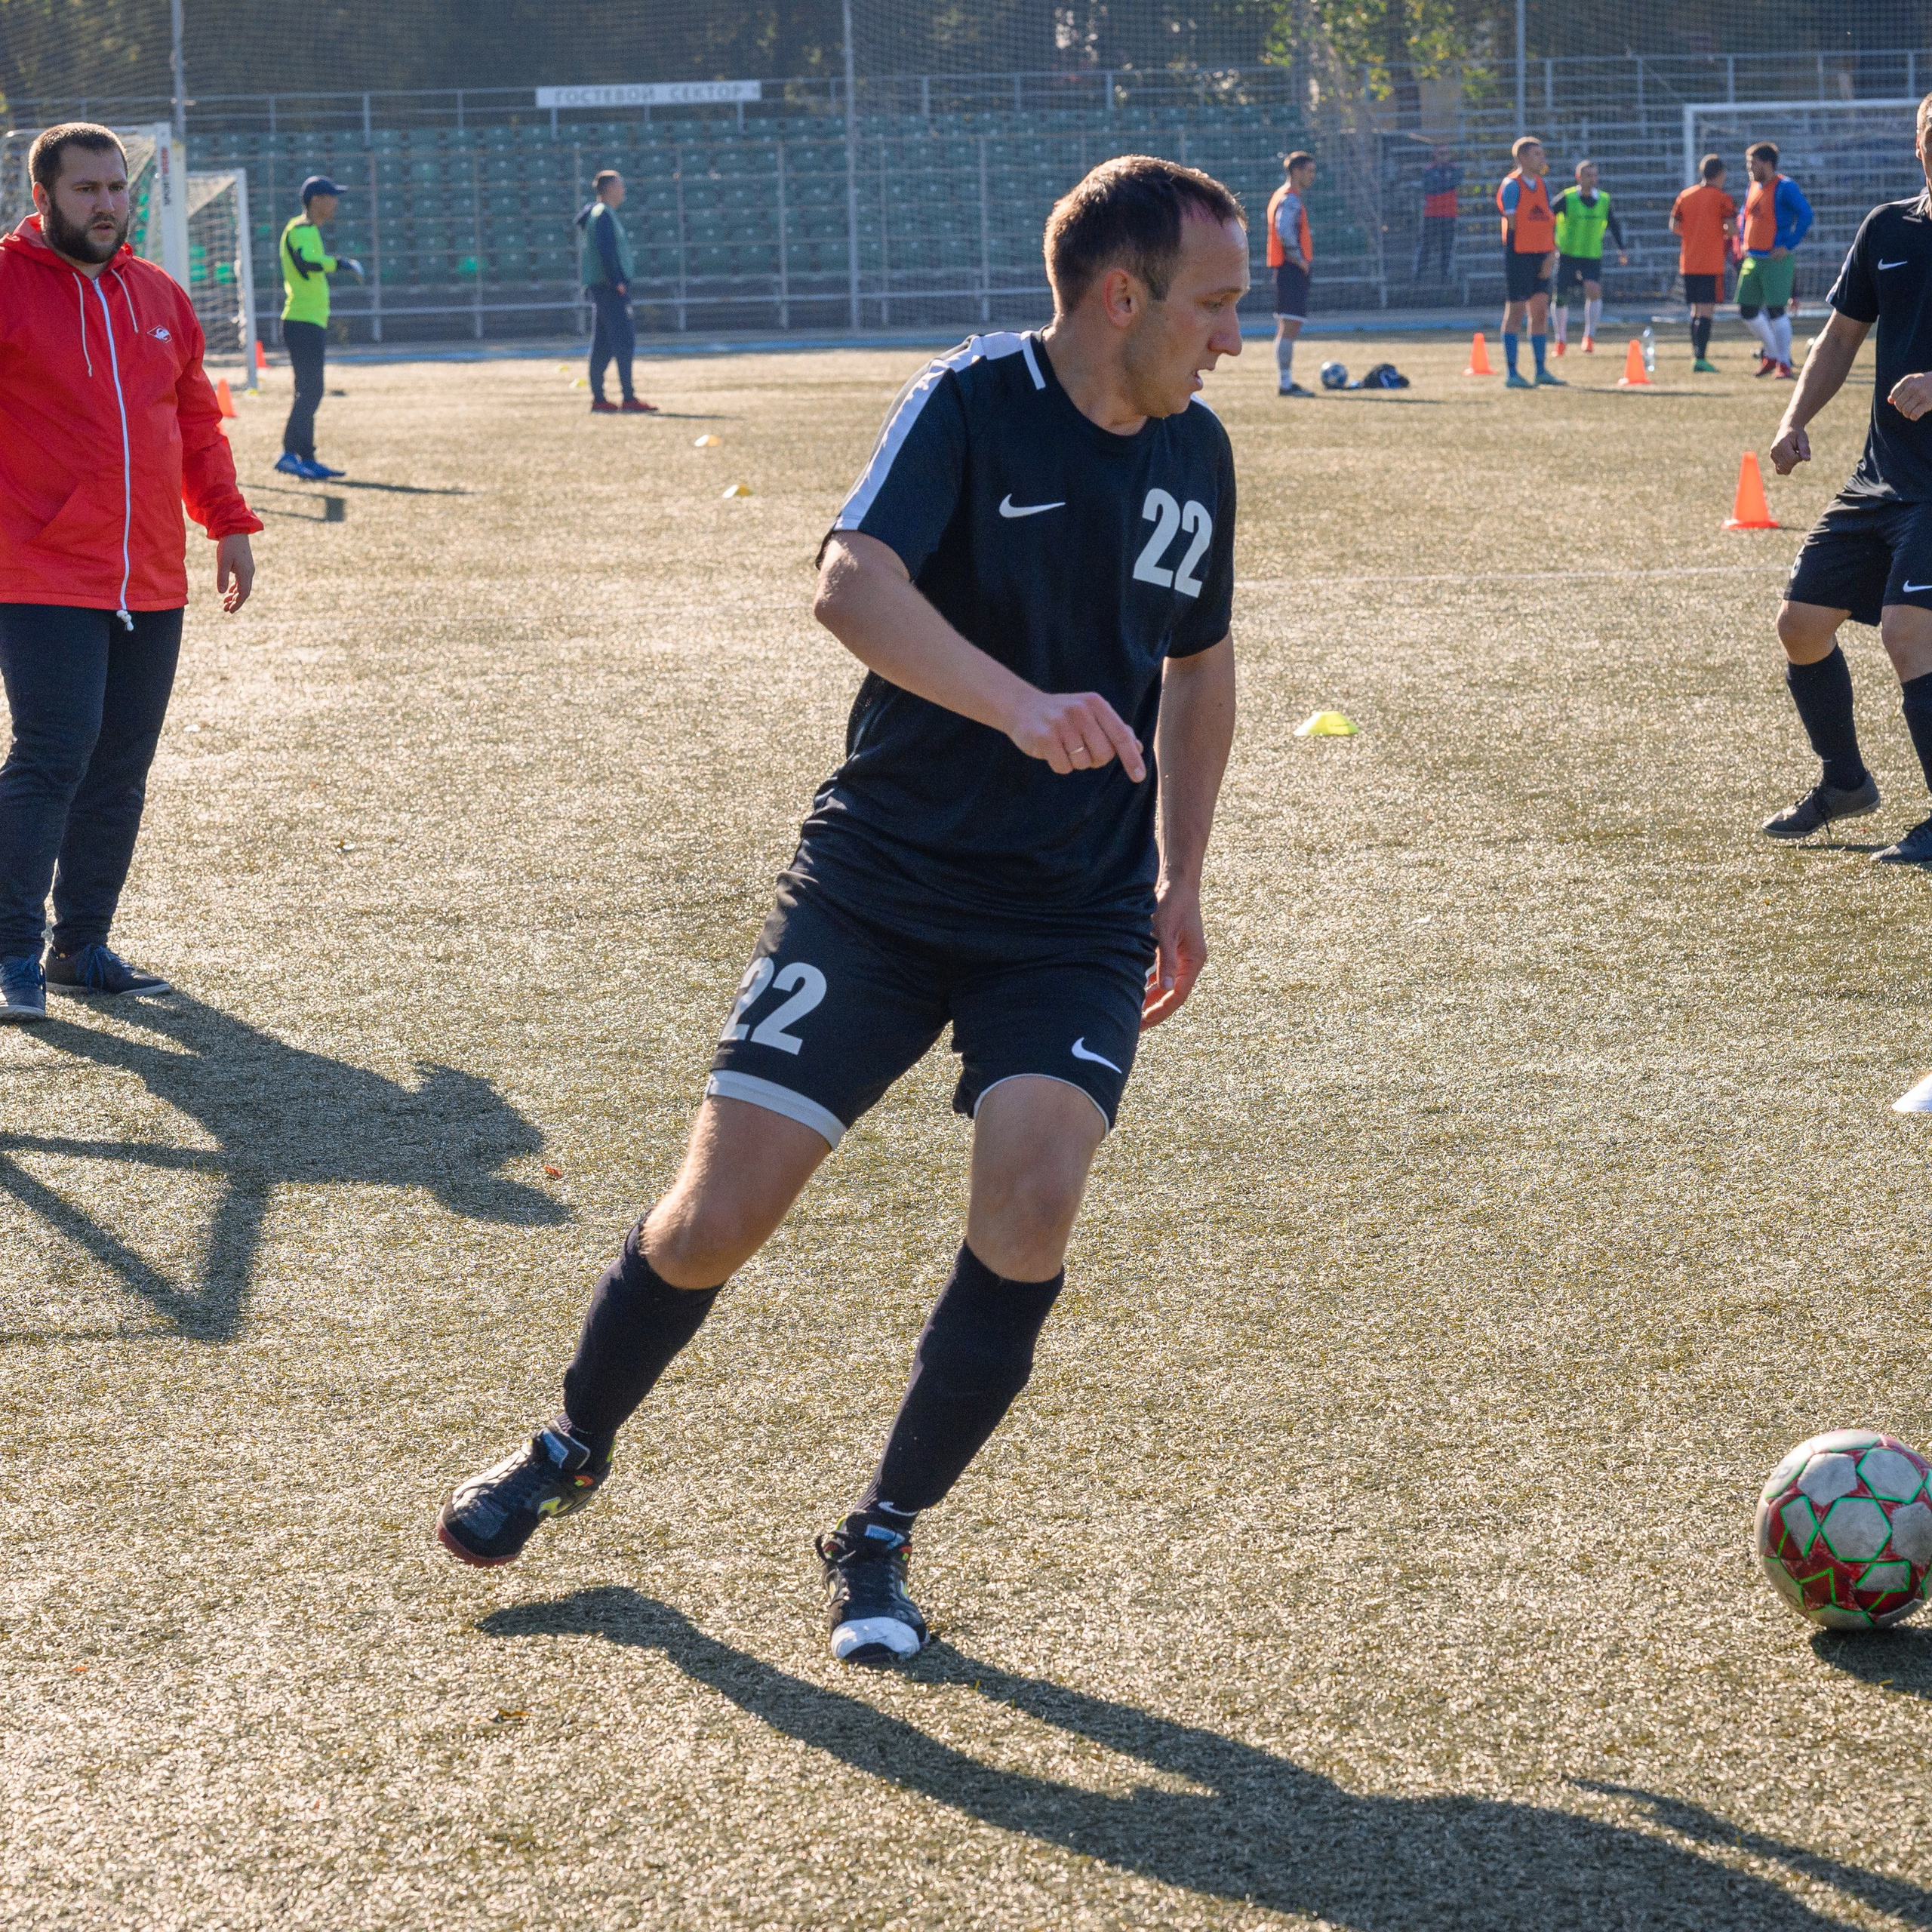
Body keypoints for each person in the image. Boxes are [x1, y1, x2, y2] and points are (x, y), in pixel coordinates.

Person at [433, 154, 1244, 1669]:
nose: (1232, 337)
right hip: (875, 890)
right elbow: (847, 581)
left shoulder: (1197, 455)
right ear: (1120, 296)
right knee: (713, 1216)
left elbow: (1197, 670)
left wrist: (1179, 874)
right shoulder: (965, 403)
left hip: (1068, 913)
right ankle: (571, 1439)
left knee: (1032, 1192)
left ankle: (875, 1531)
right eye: (1212, 303)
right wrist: (1020, 706)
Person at [0, 123, 259, 1022]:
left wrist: (227, 523)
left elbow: (196, 424)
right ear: (42, 200)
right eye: (86, 190)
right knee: (53, 755)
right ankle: (9, 953)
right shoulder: (3, 286)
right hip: (39, 572)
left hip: (150, 576)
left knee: (120, 766)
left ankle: (80, 946)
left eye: (115, 188)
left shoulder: (160, 295)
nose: (107, 204)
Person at [1763, 96, 1932, 861]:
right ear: (1919, 143)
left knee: (1907, 633)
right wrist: (1793, 420)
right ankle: (1844, 782)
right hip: (1879, 478)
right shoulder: (1886, 228)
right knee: (1799, 625)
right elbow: (1838, 337)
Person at [277, 174, 361, 480]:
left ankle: (306, 457)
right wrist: (341, 263)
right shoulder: (300, 229)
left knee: (309, 390)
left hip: (309, 321)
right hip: (301, 321)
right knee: (310, 390)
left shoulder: (309, 230)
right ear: (317, 200)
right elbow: (306, 263)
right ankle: (289, 454)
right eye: (332, 196)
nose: (336, 202)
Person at [577, 170, 656, 414]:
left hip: (601, 287)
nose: (624, 191)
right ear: (610, 189)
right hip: (609, 288)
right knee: (624, 341)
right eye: (620, 186)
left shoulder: (597, 212)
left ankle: (599, 399)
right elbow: (606, 250)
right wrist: (617, 280)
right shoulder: (603, 215)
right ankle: (628, 398)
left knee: (602, 344)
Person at [1738, 141, 1814, 379]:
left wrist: (1789, 245)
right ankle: (1772, 355)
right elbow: (1745, 214)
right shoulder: (1753, 185)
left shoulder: (1785, 186)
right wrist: (1741, 238)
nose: (1749, 167)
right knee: (1747, 310)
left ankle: (1783, 362)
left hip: (1775, 259)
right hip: (1753, 257)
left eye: (1754, 163)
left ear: (1768, 163)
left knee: (1776, 311)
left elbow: (1806, 214)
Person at [1495, 136, 1561, 388]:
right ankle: (1512, 373)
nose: (1542, 158)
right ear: (1522, 158)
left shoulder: (1542, 185)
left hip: (1541, 255)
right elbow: (1512, 222)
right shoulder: (1512, 185)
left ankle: (1541, 370)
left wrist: (1549, 253)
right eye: (1537, 154)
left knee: (1540, 313)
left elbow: (1546, 220)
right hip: (1519, 256)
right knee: (1516, 312)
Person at [1549, 158, 1626, 356]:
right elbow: (1548, 218)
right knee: (1561, 296)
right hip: (1567, 254)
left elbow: (1614, 224)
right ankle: (1561, 340)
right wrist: (1549, 243)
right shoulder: (1567, 198)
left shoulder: (1603, 199)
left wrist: (1621, 249)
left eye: (1595, 175)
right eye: (1588, 176)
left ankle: (1589, 337)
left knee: (1594, 290)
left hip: (1591, 255)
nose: (1593, 179)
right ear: (1579, 177)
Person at [1669, 154, 1737, 374]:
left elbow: (1674, 226)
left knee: (1695, 310)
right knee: (1707, 311)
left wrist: (1693, 234)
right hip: (1711, 262)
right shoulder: (1722, 198)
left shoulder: (1685, 196)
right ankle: (1701, 357)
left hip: (1689, 261)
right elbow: (1731, 228)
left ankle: (1695, 354)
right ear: (1720, 174)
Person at [1266, 152, 1315, 397]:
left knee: (1289, 325)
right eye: (1309, 171)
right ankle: (1285, 384)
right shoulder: (1290, 199)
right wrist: (1299, 260)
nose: (1312, 176)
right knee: (1289, 325)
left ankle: (1286, 381)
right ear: (1296, 171)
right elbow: (1283, 230)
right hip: (1291, 269)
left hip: (1287, 268)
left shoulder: (1284, 196)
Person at [1414, 144, 1462, 284]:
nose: (1444, 156)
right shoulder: (1428, 170)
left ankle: (1444, 276)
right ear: (1434, 155)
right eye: (1440, 153)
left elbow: (1455, 181)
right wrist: (1444, 184)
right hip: (1432, 214)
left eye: (1446, 153)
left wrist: (1441, 184)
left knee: (1447, 246)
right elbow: (1429, 187)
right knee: (1426, 246)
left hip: (1449, 214)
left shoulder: (1454, 169)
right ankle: (1419, 275)